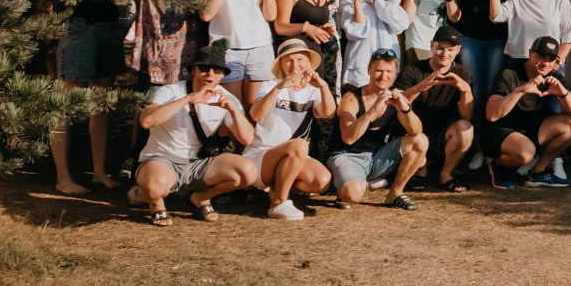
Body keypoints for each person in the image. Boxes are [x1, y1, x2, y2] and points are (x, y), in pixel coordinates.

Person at [133, 44, 259, 224]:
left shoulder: (226, 98)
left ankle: (202, 197)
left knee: (248, 171)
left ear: (223, 75)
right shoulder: (172, 91)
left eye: (217, 70)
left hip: (199, 163)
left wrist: (232, 110)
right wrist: (188, 99)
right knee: (156, 187)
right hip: (164, 159)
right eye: (205, 69)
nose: (210, 75)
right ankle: (156, 204)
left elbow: (247, 138)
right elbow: (146, 121)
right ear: (193, 70)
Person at [50, 0, 127, 195]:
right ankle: (63, 178)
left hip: (108, 28)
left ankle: (98, 172)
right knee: (65, 105)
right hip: (79, 27)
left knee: (101, 105)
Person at [245, 38, 336, 218]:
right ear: (281, 65)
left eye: (300, 60)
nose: (295, 65)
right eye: (289, 60)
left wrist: (324, 86)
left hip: (294, 155)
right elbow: (256, 114)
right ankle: (278, 203)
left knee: (321, 181)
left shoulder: (313, 90)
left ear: (309, 63)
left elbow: (328, 113)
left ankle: (278, 188)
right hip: (262, 156)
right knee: (300, 144)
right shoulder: (270, 85)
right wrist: (280, 87)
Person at [329, 48, 428, 208]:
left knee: (420, 141)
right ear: (369, 70)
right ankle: (352, 187)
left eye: (389, 71)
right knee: (352, 194)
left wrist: (405, 108)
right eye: (379, 71)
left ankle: (394, 193)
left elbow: (416, 132)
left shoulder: (394, 97)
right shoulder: (352, 98)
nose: (384, 77)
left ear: (395, 73)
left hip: (376, 157)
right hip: (348, 156)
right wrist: (372, 111)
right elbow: (348, 138)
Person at [483, 36, 571, 189]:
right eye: (541, 56)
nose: (545, 63)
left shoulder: (553, 75)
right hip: (501, 132)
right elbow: (491, 114)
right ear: (530, 53)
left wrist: (563, 93)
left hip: (531, 131)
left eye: (551, 59)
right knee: (525, 153)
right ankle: (497, 165)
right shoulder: (510, 73)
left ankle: (538, 171)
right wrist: (520, 91)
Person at [195, 0, 278, 106]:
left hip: (261, 48)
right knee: (230, 106)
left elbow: (270, 15)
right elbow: (206, 15)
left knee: (257, 107)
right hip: (227, 49)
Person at [398, 25, 476, 193]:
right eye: (440, 48)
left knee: (466, 128)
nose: (444, 54)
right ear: (431, 45)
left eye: (450, 49)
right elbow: (399, 103)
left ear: (458, 50)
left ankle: (446, 174)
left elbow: (467, 115)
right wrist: (420, 87)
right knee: (413, 129)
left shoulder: (462, 74)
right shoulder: (413, 70)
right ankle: (419, 171)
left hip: (442, 136)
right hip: (412, 134)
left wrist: (466, 91)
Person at [337, 0, 410, 92]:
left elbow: (401, 25)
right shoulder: (347, 0)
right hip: (361, 67)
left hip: (386, 65)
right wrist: (358, 2)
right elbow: (356, 32)